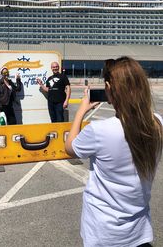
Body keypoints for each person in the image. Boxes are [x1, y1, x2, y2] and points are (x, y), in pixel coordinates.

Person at [65, 56, 163, 247]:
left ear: (109, 88)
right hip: (139, 231)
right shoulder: (158, 123)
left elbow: (70, 148)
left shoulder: (99, 130)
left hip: (104, 233)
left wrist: (81, 111)